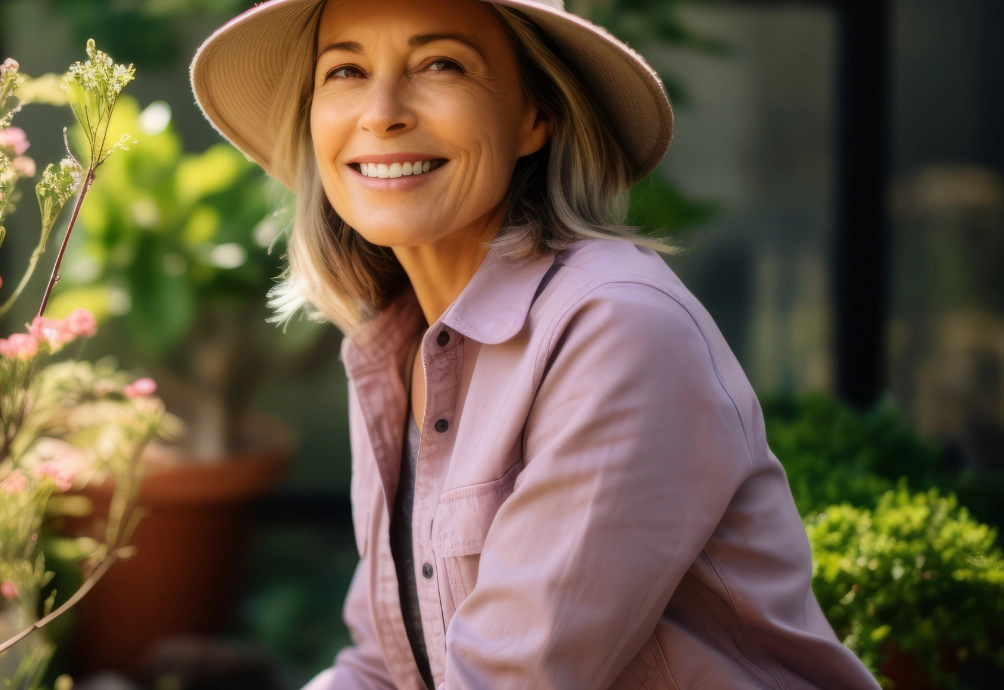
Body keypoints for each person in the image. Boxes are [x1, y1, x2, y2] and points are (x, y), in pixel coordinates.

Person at [190, 0, 880, 688]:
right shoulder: (398, 345)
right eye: (344, 70)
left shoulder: (617, 328)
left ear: (534, 115)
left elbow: (514, 680)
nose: (382, 112)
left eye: (440, 64)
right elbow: (385, 666)